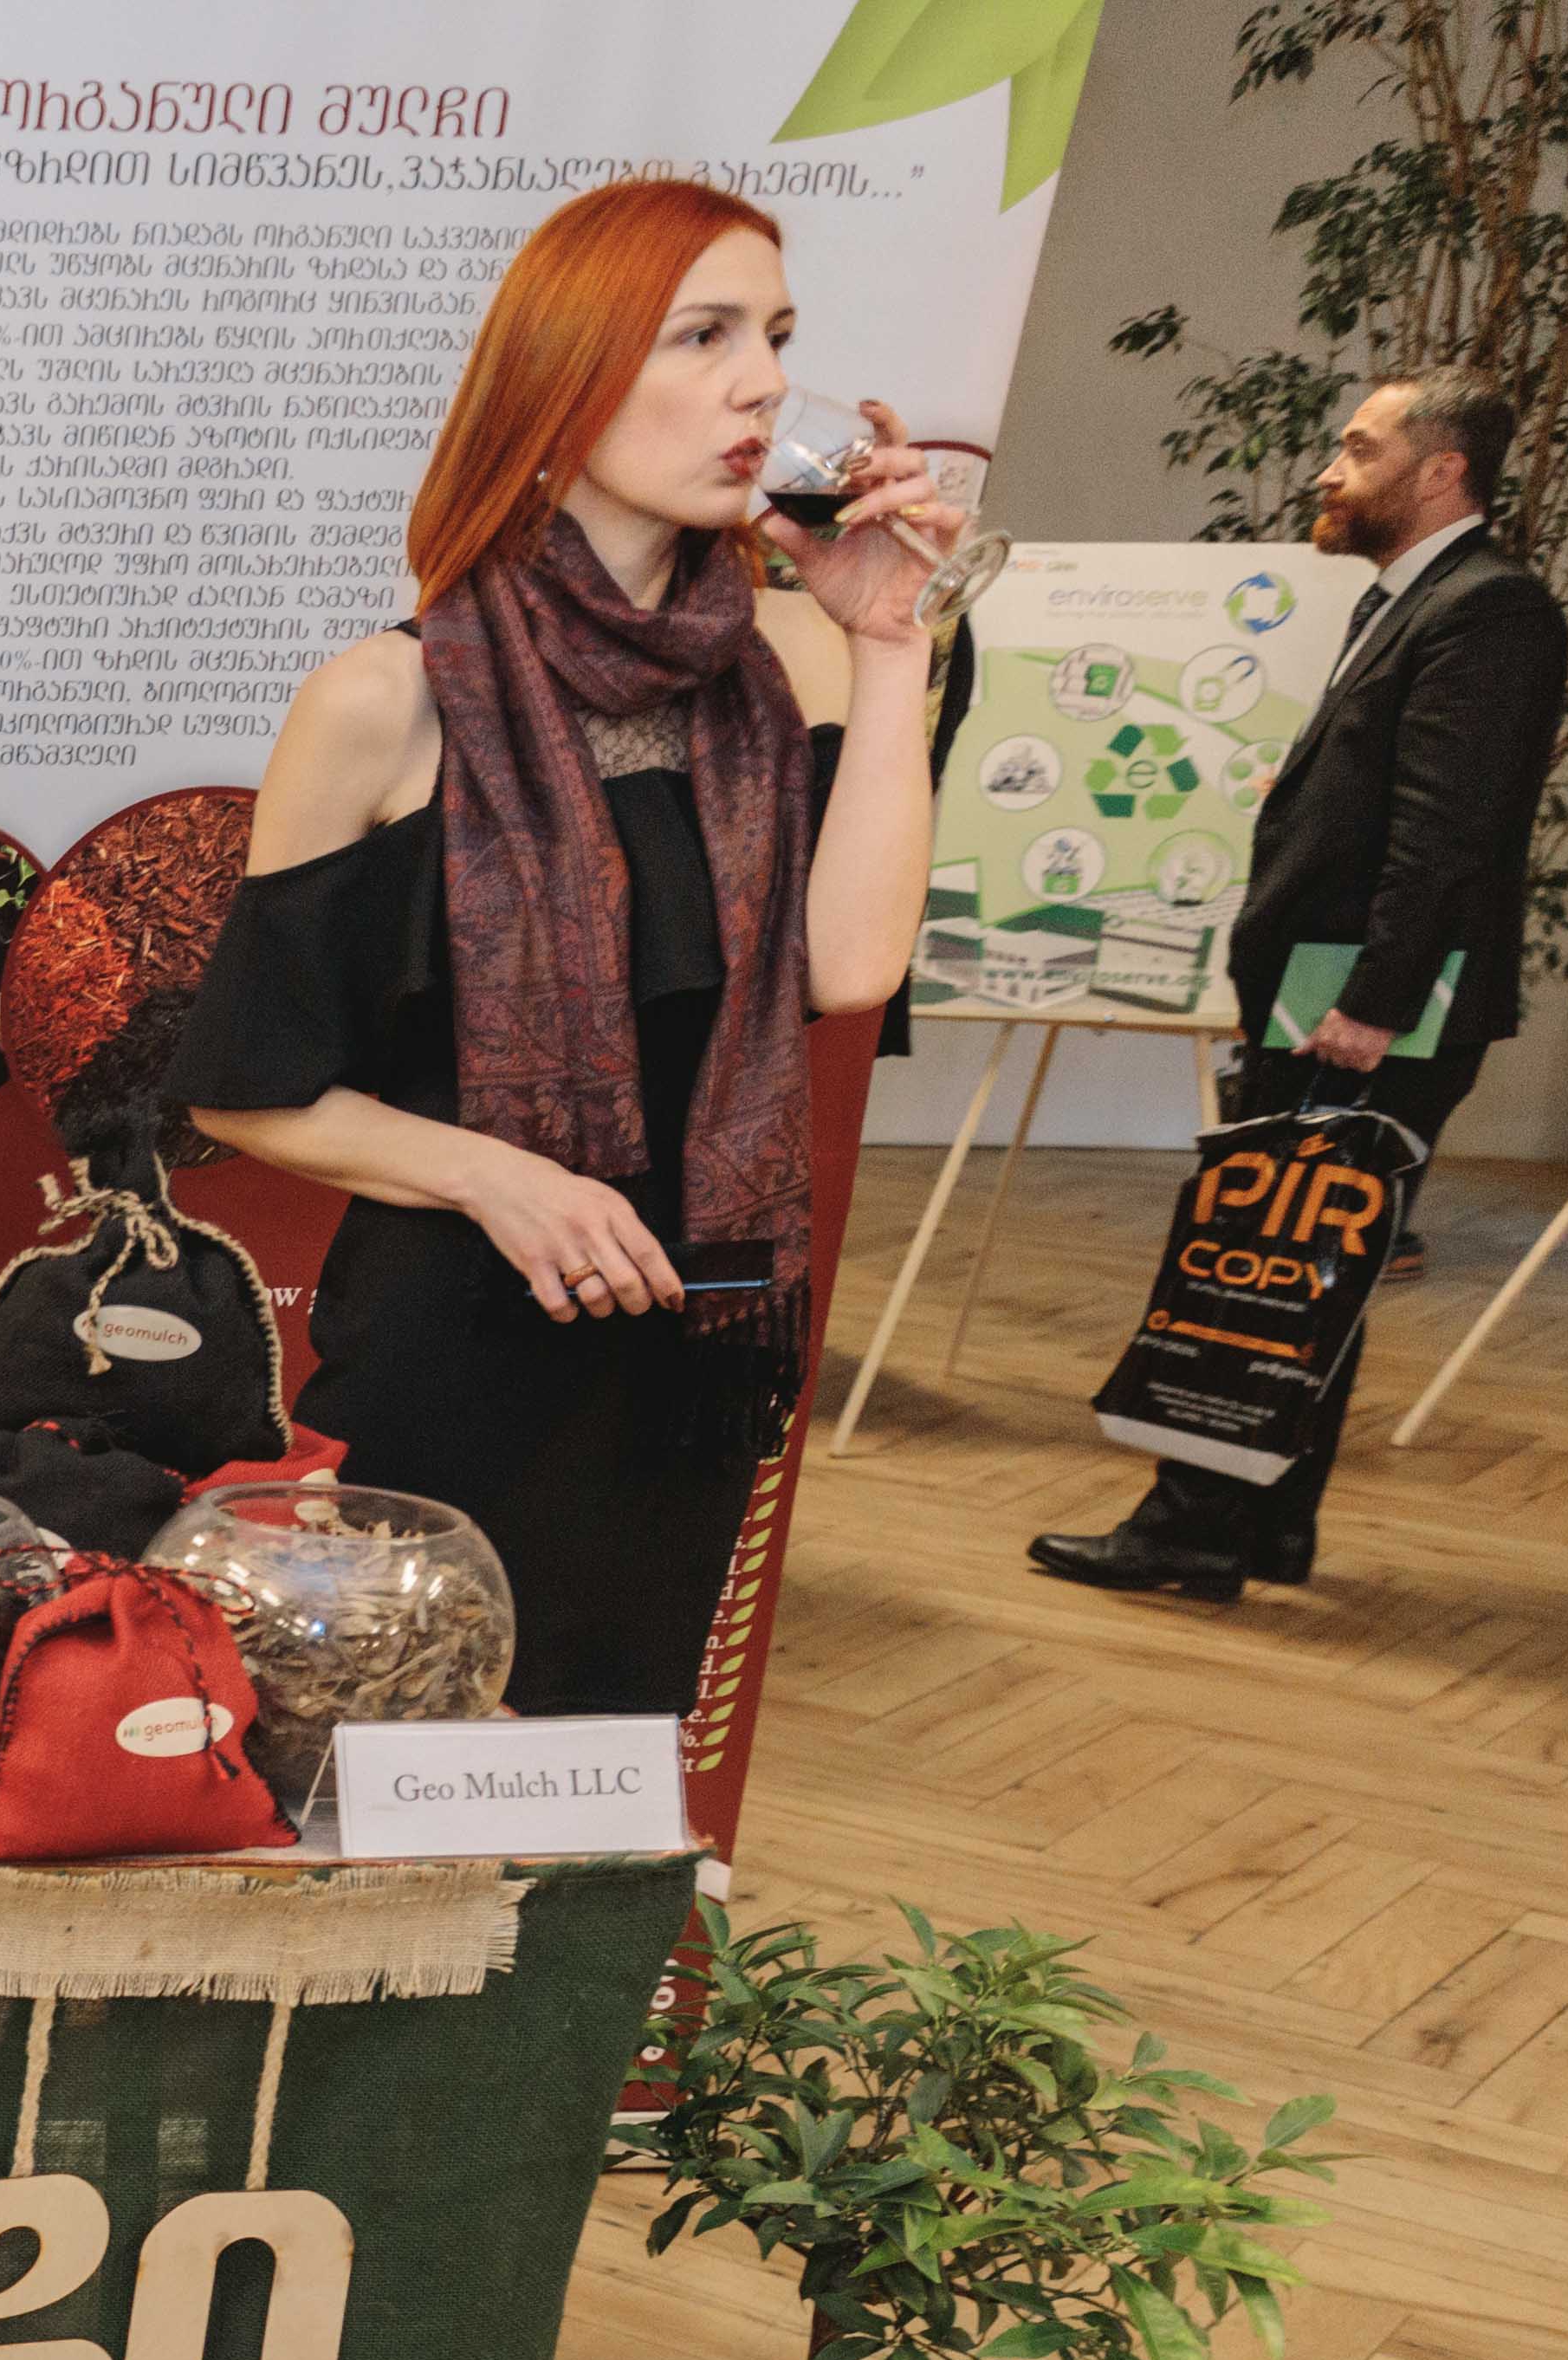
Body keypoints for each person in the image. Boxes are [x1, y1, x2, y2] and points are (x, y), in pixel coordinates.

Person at [172, 181, 958, 1721]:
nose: (762, 383)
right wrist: (501, 1177)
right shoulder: (387, 701)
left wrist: (891, 646)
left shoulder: (795, 664)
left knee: (598, 1795)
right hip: (455, 1357)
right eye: (704, 336)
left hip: (688, 1356)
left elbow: (853, 968)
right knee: (385, 1790)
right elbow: (248, 1087)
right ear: (564, 382)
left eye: (776, 337)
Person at [1032, 367, 1567, 1602]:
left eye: (1361, 447)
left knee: (1260, 1260)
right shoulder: (1418, 599)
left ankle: (1188, 1532)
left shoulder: (1488, 610)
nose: (1331, 468)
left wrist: (1374, 1001)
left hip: (1364, 1010)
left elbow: (1446, 834)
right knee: (1311, 1260)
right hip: (1335, 996)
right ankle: (1265, 1526)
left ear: (1442, 471)